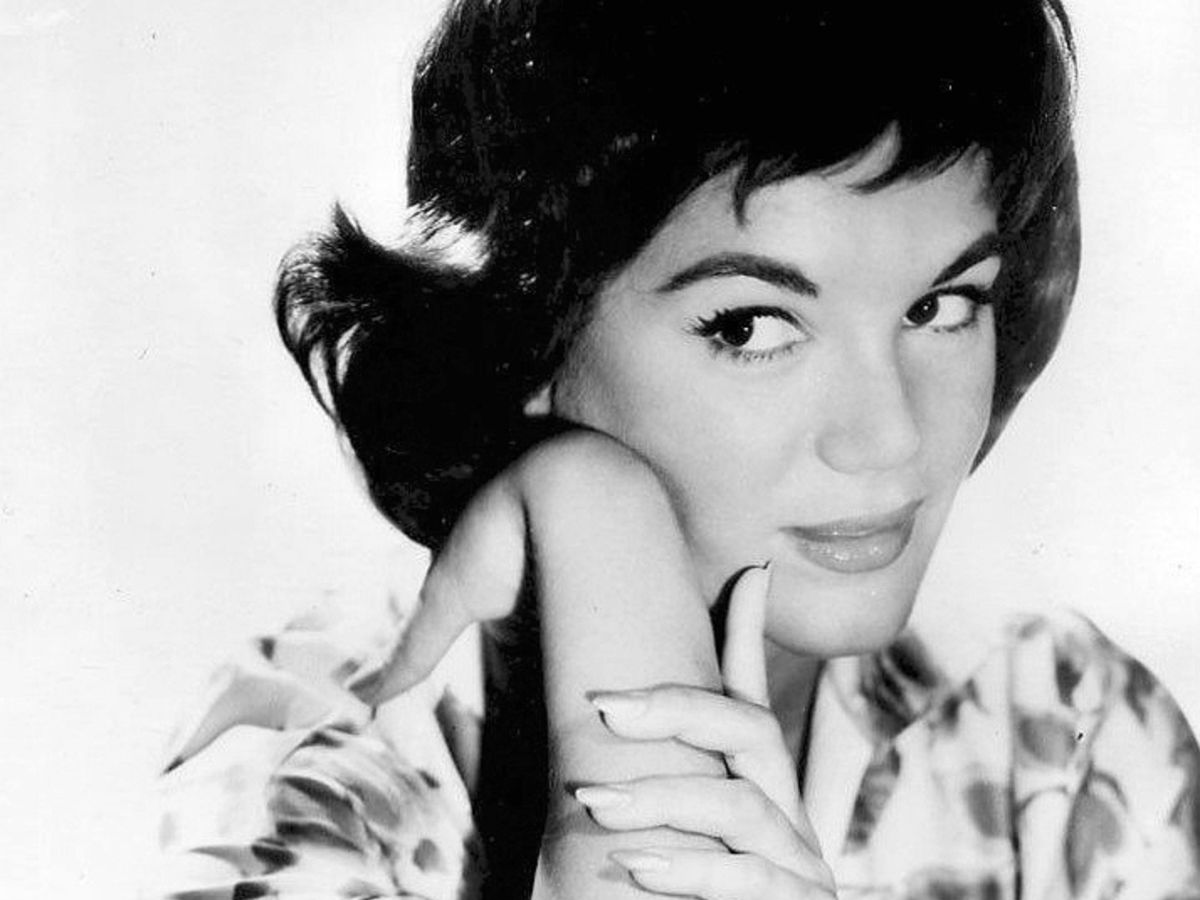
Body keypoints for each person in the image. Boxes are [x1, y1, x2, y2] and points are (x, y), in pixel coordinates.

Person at [154, 1, 1200, 897]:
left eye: (941, 306)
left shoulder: (1065, 732)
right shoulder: (313, 772)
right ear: (530, 338)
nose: (890, 439)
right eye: (750, 327)